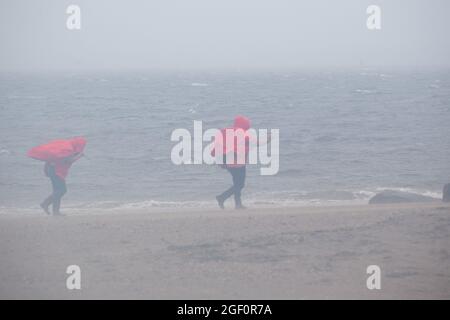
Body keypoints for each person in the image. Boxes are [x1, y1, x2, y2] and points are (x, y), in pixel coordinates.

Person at [213, 115, 268, 210]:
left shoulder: (226, 132)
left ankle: (238, 204)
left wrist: (220, 162)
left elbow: (218, 146)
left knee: (236, 183)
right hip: (239, 164)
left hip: (228, 163)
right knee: (240, 185)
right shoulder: (243, 134)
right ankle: (222, 198)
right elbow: (258, 143)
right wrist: (269, 138)